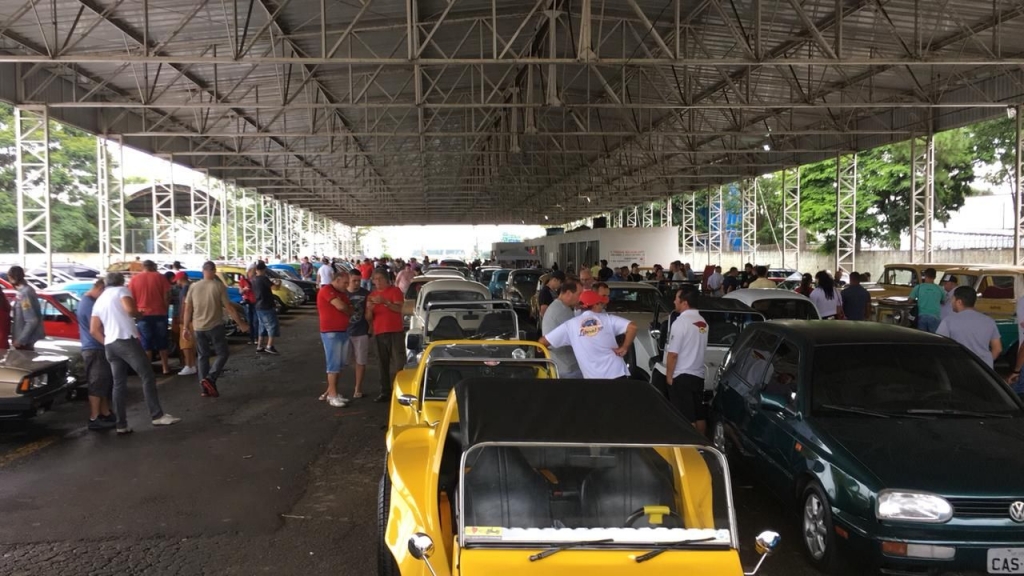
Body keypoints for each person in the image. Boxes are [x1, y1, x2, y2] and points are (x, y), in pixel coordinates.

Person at [90, 272, 180, 433]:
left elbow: (94, 329)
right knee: (147, 375)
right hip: (126, 339)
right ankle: (157, 415)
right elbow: (130, 310)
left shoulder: (100, 300)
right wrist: (139, 313)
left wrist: (108, 342)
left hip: (110, 344)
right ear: (121, 281)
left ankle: (121, 424)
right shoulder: (121, 291)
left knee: (118, 384)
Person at [183, 261, 250, 398]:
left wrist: (185, 327)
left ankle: (204, 389)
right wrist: (241, 323)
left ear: (203, 271)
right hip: (215, 326)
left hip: (198, 327)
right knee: (223, 354)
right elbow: (229, 308)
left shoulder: (193, 287)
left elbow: (188, 309)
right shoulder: (218, 286)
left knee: (203, 356)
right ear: (213, 271)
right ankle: (211, 378)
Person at [538, 289, 637, 379]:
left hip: (593, 378)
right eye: (600, 304)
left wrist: (540, 348)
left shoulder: (570, 325)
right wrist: (624, 347)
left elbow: (543, 342)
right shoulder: (608, 319)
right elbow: (632, 327)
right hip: (616, 373)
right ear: (595, 305)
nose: (602, 306)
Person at [664, 285, 709, 433]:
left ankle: (689, 445)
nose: (674, 301)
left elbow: (673, 354)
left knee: (685, 418)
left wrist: (669, 377)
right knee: (699, 414)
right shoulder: (703, 322)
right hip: (698, 375)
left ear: (685, 303)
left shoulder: (680, 323)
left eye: (676, 299)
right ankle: (702, 443)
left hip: (682, 375)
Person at [77, 279, 115, 431]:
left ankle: (105, 412)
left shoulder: (90, 302)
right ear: (100, 289)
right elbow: (95, 329)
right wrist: (108, 343)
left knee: (103, 382)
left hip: (96, 347)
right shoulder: (89, 305)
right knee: (96, 382)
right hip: (94, 348)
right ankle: (94, 417)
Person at [937, 286, 1001, 369]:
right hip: (984, 370)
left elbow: (940, 346)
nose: (951, 303)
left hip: (959, 367)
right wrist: (986, 363)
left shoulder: (948, 321)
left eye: (952, 299)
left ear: (959, 302)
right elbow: (998, 349)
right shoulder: (989, 321)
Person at [366, 270, 405, 402]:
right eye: (375, 279)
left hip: (395, 331)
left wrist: (385, 302)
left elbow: (399, 309)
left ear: (386, 279)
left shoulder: (395, 291)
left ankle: (400, 390)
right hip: (379, 332)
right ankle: (385, 391)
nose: (377, 282)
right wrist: (370, 309)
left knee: (399, 362)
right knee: (382, 363)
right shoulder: (372, 295)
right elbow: (368, 318)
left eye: (380, 279)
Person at [129, 260, 173, 374]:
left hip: (142, 314)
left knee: (146, 342)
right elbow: (166, 296)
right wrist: (165, 310)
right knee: (162, 341)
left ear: (142, 267)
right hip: (159, 313)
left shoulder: (134, 279)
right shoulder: (161, 278)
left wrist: (136, 312)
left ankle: (148, 369)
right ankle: (165, 368)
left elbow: (131, 298)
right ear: (153, 267)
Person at [318, 269, 353, 407]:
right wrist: (346, 308)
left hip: (343, 331)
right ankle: (332, 395)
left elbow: (349, 308)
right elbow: (342, 306)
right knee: (333, 365)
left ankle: (332, 392)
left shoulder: (341, 293)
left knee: (340, 365)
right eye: (345, 283)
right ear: (337, 280)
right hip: (331, 332)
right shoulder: (327, 290)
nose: (347, 285)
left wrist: (346, 308)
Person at [540, 281, 582, 378]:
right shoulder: (561, 311)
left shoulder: (559, 307)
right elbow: (578, 336)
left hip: (562, 365)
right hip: (567, 368)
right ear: (568, 293)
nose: (580, 298)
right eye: (579, 294)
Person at [345, 272, 371, 399]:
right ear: (348, 279)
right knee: (339, 362)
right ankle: (332, 389)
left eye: (358, 281)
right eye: (354, 280)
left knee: (361, 361)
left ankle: (358, 388)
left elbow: (369, 312)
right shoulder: (342, 293)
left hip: (361, 331)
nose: (357, 283)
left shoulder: (366, 294)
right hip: (344, 332)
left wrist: (370, 326)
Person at [8, 266, 44, 351]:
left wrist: (20, 340)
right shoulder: (25, 291)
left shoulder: (24, 294)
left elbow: (32, 320)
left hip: (24, 343)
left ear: (12, 278)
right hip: (24, 341)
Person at [251, 261, 281, 354]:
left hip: (258, 305)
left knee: (262, 326)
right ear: (264, 269)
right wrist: (279, 283)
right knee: (272, 325)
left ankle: (259, 346)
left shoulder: (254, 279)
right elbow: (275, 288)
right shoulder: (263, 278)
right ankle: (269, 346)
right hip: (266, 305)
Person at [173, 272, 197, 376]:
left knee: (185, 344)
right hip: (193, 319)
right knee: (191, 344)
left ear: (181, 279)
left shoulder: (185, 289)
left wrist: (182, 317)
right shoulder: (192, 287)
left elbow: (184, 304)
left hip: (187, 320)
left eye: (177, 280)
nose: (177, 283)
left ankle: (188, 365)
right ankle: (193, 365)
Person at [908, 267, 944, 332]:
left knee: (922, 336)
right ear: (935, 277)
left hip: (921, 316)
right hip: (935, 316)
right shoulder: (940, 289)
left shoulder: (918, 287)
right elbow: (944, 301)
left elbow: (910, 301)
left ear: (925, 276)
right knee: (934, 336)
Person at [239, 265, 260, 345]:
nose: (254, 274)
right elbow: (240, 292)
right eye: (253, 272)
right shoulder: (243, 280)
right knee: (250, 320)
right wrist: (244, 289)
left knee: (256, 321)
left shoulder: (256, 279)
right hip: (247, 302)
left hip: (256, 301)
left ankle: (256, 337)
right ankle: (252, 338)